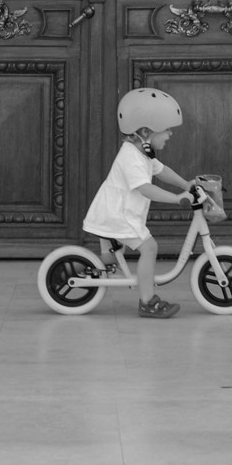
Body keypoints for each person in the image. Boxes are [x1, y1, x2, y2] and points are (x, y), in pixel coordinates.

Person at [83, 87, 200, 318]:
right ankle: (148, 302)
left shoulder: (142, 153)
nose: (170, 134)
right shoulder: (130, 157)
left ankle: (96, 272)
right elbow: (145, 188)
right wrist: (176, 199)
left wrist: (185, 185)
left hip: (113, 213)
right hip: (119, 216)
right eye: (166, 129)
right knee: (149, 248)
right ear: (146, 131)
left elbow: (162, 171)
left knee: (112, 259)